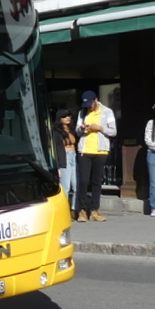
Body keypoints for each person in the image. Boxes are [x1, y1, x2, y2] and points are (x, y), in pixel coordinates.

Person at [75, 90, 116, 222]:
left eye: (90, 104)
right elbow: (77, 131)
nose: (88, 107)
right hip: (85, 150)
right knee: (83, 180)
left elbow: (113, 131)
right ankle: (82, 210)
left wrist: (100, 128)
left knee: (96, 181)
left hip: (101, 150)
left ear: (96, 100)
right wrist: (82, 128)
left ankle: (94, 210)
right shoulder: (82, 113)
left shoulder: (107, 112)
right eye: (86, 105)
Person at [53, 108, 76, 212]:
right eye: (64, 116)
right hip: (64, 157)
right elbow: (55, 150)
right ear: (59, 119)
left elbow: (75, 141)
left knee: (76, 186)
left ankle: (74, 209)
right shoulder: (56, 133)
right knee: (65, 187)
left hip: (74, 156)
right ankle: (64, 210)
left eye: (68, 116)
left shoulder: (71, 129)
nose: (68, 118)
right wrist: (57, 166)